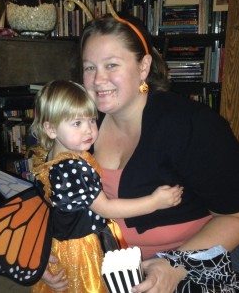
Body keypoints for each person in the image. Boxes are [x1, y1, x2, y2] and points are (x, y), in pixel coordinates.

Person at [40, 15, 239, 293]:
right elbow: (56, 196)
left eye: (111, 65)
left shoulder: (192, 126)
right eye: (89, 67)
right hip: (114, 258)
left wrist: (174, 265)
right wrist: (43, 253)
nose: (98, 79)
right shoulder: (79, 128)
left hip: (207, 253)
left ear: (143, 67)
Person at [28, 80, 183, 293]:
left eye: (92, 120)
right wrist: (154, 202)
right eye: (76, 123)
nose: (89, 130)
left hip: (60, 241)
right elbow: (106, 208)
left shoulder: (51, 157)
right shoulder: (72, 168)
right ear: (51, 129)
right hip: (81, 248)